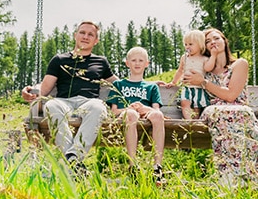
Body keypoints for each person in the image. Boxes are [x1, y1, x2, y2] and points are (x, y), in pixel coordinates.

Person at [21, 20, 116, 174]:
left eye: (90, 34)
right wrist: (32, 90)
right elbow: (45, 88)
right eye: (82, 33)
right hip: (64, 102)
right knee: (51, 106)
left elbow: (119, 84)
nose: (86, 36)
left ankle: (72, 159)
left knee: (98, 107)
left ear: (96, 40)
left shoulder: (101, 62)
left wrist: (150, 84)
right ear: (75, 35)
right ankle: (74, 161)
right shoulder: (59, 60)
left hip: (88, 102)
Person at [183, 28, 258, 187]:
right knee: (218, 112)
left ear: (224, 41)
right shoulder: (204, 69)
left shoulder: (239, 64)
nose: (212, 42)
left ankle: (251, 179)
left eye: (216, 38)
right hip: (214, 111)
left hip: (239, 110)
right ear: (204, 47)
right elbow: (184, 80)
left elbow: (231, 96)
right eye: (208, 41)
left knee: (243, 117)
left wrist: (203, 82)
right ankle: (228, 178)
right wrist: (168, 85)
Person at [106, 46, 166, 179]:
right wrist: (129, 109)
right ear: (127, 63)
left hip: (146, 114)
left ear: (146, 64)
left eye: (140, 60)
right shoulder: (118, 85)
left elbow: (156, 110)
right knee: (132, 114)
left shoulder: (151, 87)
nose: (137, 63)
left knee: (158, 115)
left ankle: (157, 167)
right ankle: (133, 165)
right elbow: (114, 111)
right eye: (133, 60)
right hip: (127, 115)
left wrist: (145, 108)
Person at [162, 29, 215, 120]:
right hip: (186, 87)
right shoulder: (185, 58)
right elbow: (180, 71)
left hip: (199, 87)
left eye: (190, 44)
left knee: (196, 106)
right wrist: (174, 82)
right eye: (186, 44)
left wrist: (213, 56)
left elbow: (208, 68)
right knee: (185, 102)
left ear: (200, 44)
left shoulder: (204, 59)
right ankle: (188, 120)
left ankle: (194, 121)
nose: (187, 47)